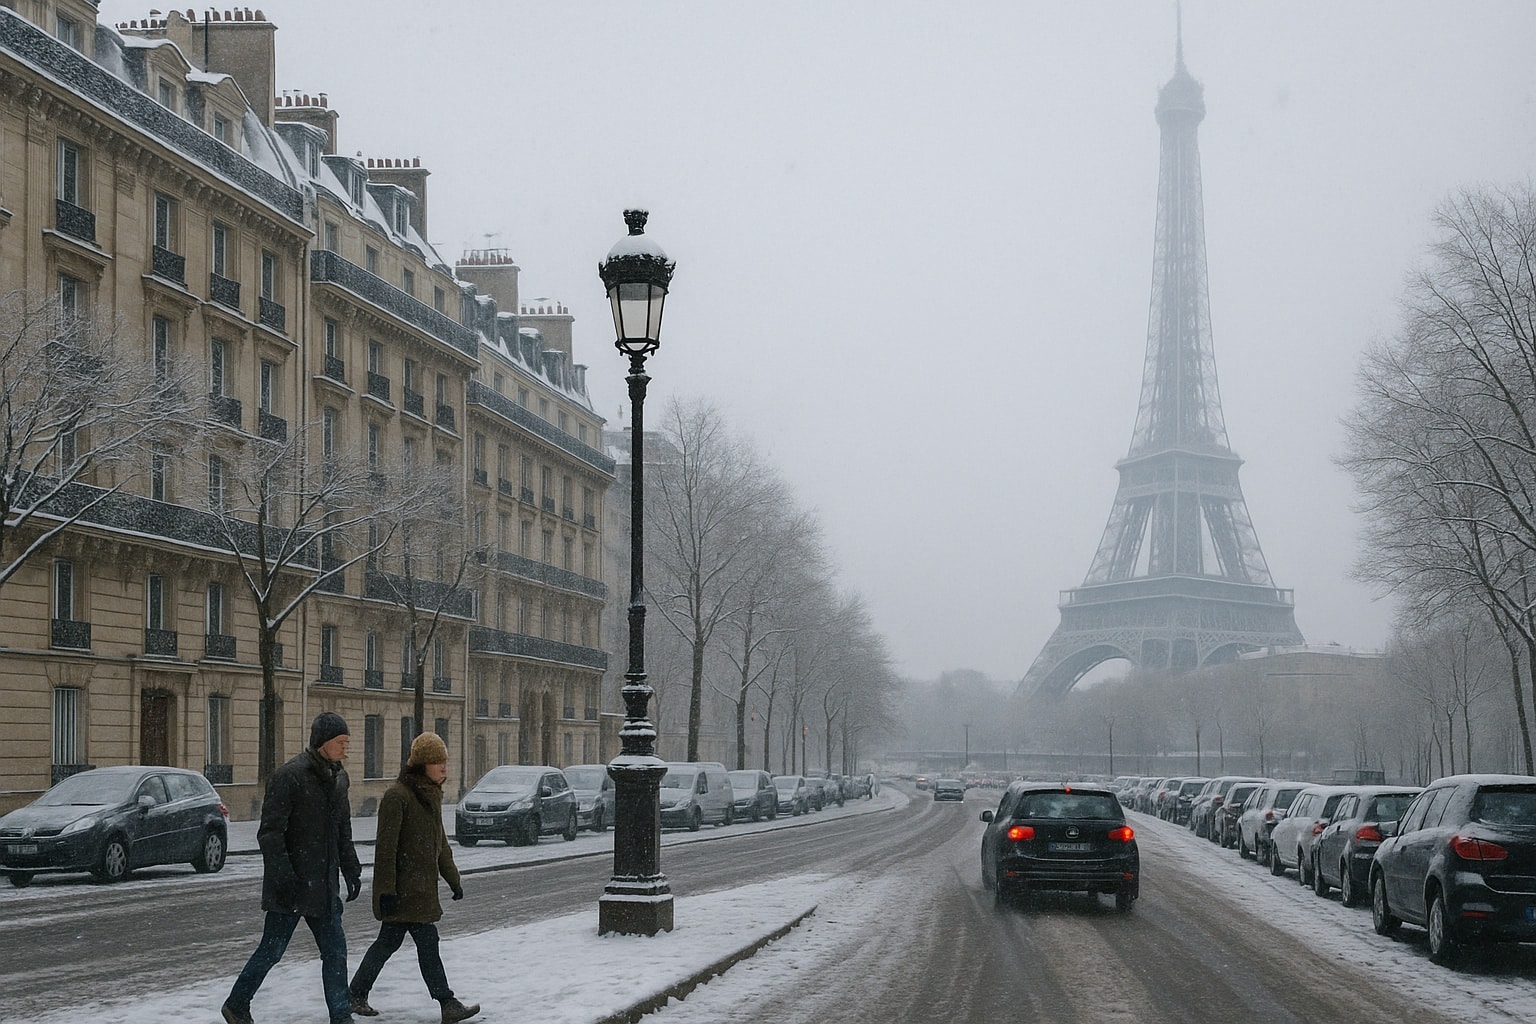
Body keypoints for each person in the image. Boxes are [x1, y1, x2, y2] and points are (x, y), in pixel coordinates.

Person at [222, 712, 363, 1024]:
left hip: (323, 887)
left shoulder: (340, 778)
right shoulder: (290, 777)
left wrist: (352, 869)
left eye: (347, 743)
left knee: (336, 953)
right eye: (341, 742)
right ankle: (236, 1004)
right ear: (323, 743)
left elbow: (343, 830)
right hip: (291, 887)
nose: (345, 749)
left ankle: (341, 1016)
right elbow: (270, 834)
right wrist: (284, 878)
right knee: (271, 952)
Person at [348, 732, 480, 1024]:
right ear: (421, 765)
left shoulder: (430, 796)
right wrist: (385, 891)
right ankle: (447, 1002)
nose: (444, 768)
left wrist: (453, 879)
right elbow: (386, 848)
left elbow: (440, 844)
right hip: (404, 892)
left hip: (420, 892)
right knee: (425, 942)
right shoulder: (398, 796)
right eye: (437, 762)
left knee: (388, 944)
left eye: (444, 761)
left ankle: (356, 993)